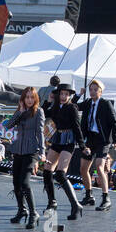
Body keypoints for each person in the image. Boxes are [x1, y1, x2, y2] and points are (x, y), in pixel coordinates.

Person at [41, 81, 83, 221]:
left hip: (70, 140)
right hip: (58, 138)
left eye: (66, 94)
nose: (64, 97)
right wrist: (48, 101)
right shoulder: (55, 107)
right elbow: (43, 113)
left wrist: (83, 146)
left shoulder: (72, 108)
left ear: (70, 96)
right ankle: (52, 202)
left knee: (60, 173)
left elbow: (77, 128)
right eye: (62, 94)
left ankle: (75, 205)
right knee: (47, 169)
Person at [5, 86, 45, 229]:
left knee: (25, 182)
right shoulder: (20, 112)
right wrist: (20, 112)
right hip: (18, 151)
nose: (29, 100)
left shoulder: (38, 112)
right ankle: (22, 210)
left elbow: (40, 132)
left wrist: (42, 151)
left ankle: (34, 213)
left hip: (31, 151)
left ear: (35, 99)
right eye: (27, 97)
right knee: (16, 183)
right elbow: (8, 125)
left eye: (31, 97)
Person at [77, 78, 116, 212]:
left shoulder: (105, 104)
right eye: (91, 90)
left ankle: (106, 198)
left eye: (95, 90)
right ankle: (89, 195)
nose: (92, 92)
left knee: (99, 167)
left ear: (100, 91)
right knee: (83, 168)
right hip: (90, 139)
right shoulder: (88, 103)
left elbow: (114, 122)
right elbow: (73, 107)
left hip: (103, 139)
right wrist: (78, 95)